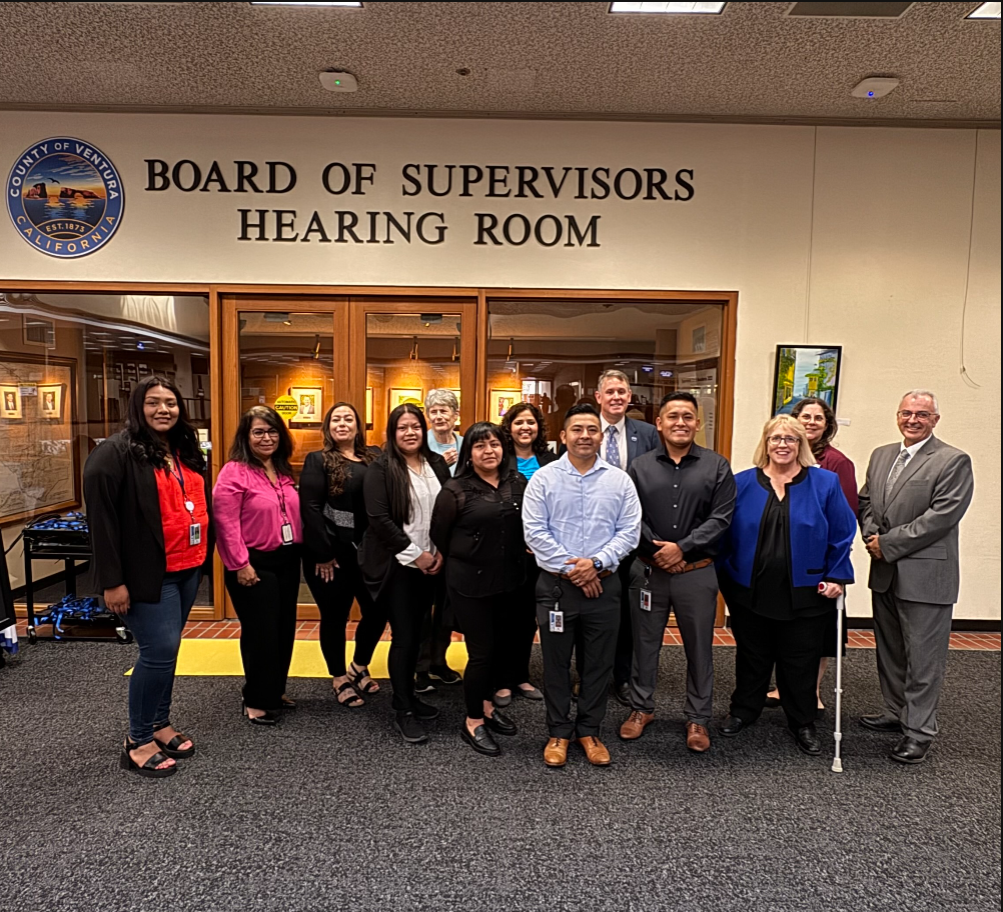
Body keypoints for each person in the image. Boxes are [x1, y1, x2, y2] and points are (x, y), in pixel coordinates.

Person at [84, 376, 212, 778]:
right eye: (154, 403)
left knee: (168, 652)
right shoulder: (114, 453)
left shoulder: (183, 450)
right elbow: (101, 522)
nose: (164, 410)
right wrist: (112, 581)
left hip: (187, 567)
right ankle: (137, 740)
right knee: (157, 652)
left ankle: (160, 724)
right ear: (137, 406)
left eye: (171, 403)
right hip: (144, 575)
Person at [717, 415, 855, 756]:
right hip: (750, 589)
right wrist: (726, 577)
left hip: (807, 591)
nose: (782, 444)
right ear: (765, 443)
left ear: (801, 445)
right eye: (776, 438)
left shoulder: (825, 483)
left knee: (801, 659)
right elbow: (725, 535)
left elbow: (842, 532)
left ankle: (802, 720)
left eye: (791, 439)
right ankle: (743, 711)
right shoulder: (743, 483)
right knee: (752, 656)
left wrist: (837, 575)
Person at [522, 404, 642, 768]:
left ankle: (589, 730)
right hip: (557, 588)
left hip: (605, 587)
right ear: (563, 436)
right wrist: (576, 570)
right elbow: (534, 532)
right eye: (577, 429)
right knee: (556, 663)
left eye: (592, 429)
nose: (585, 435)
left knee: (598, 665)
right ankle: (558, 731)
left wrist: (597, 565)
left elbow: (630, 531)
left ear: (601, 436)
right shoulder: (543, 479)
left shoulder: (619, 480)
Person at [858, 390, 974, 764]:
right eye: (906, 413)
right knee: (891, 650)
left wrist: (887, 543)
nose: (912, 419)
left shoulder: (952, 460)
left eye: (921, 414)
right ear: (897, 415)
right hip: (886, 573)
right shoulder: (881, 455)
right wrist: (871, 535)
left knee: (924, 658)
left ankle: (919, 731)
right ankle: (896, 712)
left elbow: (941, 517)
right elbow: (866, 502)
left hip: (926, 576)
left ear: (935, 420)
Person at [620, 393, 736, 752]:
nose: (680, 422)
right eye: (673, 416)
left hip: (696, 572)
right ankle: (641, 708)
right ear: (660, 423)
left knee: (700, 647)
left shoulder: (717, 466)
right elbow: (629, 515)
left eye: (688, 416)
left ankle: (698, 719)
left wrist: (681, 548)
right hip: (649, 571)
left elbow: (722, 518)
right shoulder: (639, 467)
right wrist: (658, 548)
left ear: (697, 423)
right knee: (644, 644)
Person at [430, 422, 527, 756]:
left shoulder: (517, 482)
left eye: (495, 444)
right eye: (480, 446)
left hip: (510, 580)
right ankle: (472, 720)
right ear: (469, 453)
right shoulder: (455, 489)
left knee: (501, 649)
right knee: (482, 652)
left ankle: (486, 706)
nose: (489, 451)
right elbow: (439, 534)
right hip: (469, 583)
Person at [359, 404, 452, 744]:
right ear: (392, 433)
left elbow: (447, 509)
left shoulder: (437, 464)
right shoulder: (381, 468)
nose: (410, 432)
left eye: (415, 426)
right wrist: (418, 555)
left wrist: (439, 551)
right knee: (405, 636)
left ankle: (411, 696)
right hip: (398, 566)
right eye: (402, 427)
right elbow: (379, 520)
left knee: (421, 633)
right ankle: (402, 708)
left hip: (432, 563)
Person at [766, 396, 858, 712]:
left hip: (819, 566)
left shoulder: (836, 463)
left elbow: (844, 519)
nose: (811, 422)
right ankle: (782, 687)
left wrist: (837, 569)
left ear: (827, 424)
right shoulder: (782, 459)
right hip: (784, 566)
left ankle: (812, 691)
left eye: (819, 418)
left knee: (817, 635)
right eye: (806, 416)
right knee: (786, 630)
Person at [214, 406, 302, 726]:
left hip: (287, 560)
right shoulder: (234, 471)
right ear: (246, 436)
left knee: (283, 630)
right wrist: (240, 564)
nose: (267, 437)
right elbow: (225, 523)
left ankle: (274, 690)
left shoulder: (282, 469)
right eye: (259, 432)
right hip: (252, 563)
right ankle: (256, 699)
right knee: (261, 633)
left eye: (272, 431)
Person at [299, 402, 384, 707]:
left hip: (370, 553)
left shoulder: (375, 456)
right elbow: (309, 509)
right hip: (331, 556)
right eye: (336, 419)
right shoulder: (317, 460)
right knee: (335, 616)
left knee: (376, 612)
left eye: (349, 418)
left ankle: (359, 667)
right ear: (328, 427)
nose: (342, 424)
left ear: (358, 425)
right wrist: (322, 553)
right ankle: (338, 677)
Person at [593, 369, 661, 706]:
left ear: (629, 397)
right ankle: (590, 675)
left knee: (627, 612)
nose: (617, 397)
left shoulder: (647, 434)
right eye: (611, 392)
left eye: (622, 391)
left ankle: (622, 676)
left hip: (634, 536)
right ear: (598, 397)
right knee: (592, 610)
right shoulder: (587, 429)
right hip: (593, 537)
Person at [491, 401, 557, 707]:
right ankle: (502, 679)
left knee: (529, 617)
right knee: (505, 616)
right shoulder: (499, 459)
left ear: (538, 428)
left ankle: (521, 675)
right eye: (519, 423)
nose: (525, 428)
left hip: (540, 554)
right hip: (506, 551)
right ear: (509, 428)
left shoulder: (551, 460)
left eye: (530, 422)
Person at [414, 389, 464, 692]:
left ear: (456, 415)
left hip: (457, 539)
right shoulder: (419, 446)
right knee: (421, 607)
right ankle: (419, 666)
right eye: (433, 412)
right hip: (424, 537)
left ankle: (439, 661)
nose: (439, 416)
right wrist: (440, 466)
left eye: (445, 411)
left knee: (447, 607)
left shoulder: (465, 444)